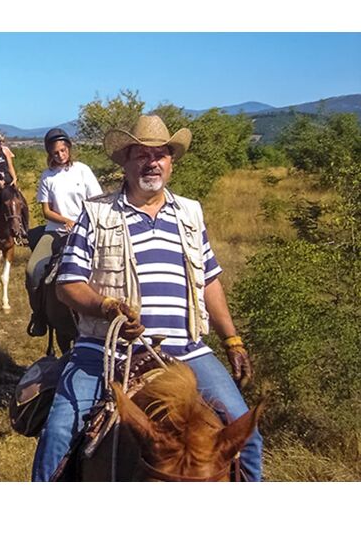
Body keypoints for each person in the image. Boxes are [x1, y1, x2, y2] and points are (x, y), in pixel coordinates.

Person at [31, 114, 262, 482]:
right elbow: (68, 285)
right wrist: (106, 307)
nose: (151, 162)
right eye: (141, 154)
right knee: (60, 433)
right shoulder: (97, 212)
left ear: (171, 162)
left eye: (160, 154)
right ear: (125, 161)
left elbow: (211, 282)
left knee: (247, 440)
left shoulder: (190, 213)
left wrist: (232, 339)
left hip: (187, 350)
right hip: (105, 352)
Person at [26, 128, 102, 336]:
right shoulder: (47, 176)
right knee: (33, 270)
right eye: (55, 152)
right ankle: (39, 315)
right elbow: (46, 210)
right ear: (49, 154)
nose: (60, 155)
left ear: (68, 148)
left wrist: (83, 222)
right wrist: (65, 220)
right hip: (56, 231)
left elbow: (96, 201)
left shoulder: (82, 170)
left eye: (63, 150)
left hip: (86, 229)